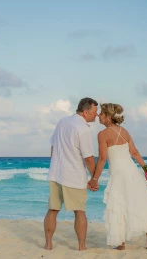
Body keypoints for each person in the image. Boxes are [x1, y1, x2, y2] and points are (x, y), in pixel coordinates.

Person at [89, 103, 147, 250]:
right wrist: (146, 171)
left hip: (118, 175)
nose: (98, 116)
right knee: (141, 203)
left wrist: (94, 179)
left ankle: (121, 243)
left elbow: (102, 159)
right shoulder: (124, 131)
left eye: (101, 114)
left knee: (119, 205)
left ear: (108, 117)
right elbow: (134, 152)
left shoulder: (102, 135)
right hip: (132, 172)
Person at [44, 97, 99, 251]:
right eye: (94, 112)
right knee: (79, 211)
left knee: (53, 209)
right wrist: (94, 178)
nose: (96, 115)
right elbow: (88, 158)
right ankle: (82, 246)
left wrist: (55, 163)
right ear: (86, 111)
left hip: (56, 172)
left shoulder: (62, 121)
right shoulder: (83, 128)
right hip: (73, 175)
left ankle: (48, 244)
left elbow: (53, 147)